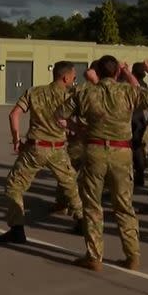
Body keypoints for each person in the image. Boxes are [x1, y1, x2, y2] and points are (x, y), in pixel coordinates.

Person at [59, 56, 148, 272]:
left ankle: (94, 256)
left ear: (97, 72)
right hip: (122, 152)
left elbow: (60, 116)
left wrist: (79, 129)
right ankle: (132, 256)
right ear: (117, 73)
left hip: (95, 151)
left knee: (92, 205)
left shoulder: (84, 92)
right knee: (124, 206)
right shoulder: (128, 92)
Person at [0, 61, 84, 244]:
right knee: (70, 186)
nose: (74, 80)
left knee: (15, 186)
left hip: (35, 148)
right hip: (58, 148)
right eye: (74, 77)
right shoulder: (71, 96)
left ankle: (17, 229)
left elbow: (14, 115)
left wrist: (16, 140)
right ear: (65, 77)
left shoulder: (34, 92)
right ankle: (83, 222)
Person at [50, 60, 100, 215]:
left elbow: (65, 109)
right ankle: (84, 207)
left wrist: (71, 127)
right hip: (97, 137)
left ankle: (63, 203)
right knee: (91, 176)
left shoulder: (79, 89)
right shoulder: (107, 91)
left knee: (68, 172)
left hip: (80, 136)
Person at [130, 62, 148, 188]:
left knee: (132, 148)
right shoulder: (144, 85)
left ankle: (134, 174)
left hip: (132, 117)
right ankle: (140, 173)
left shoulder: (131, 83)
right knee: (139, 148)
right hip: (140, 117)